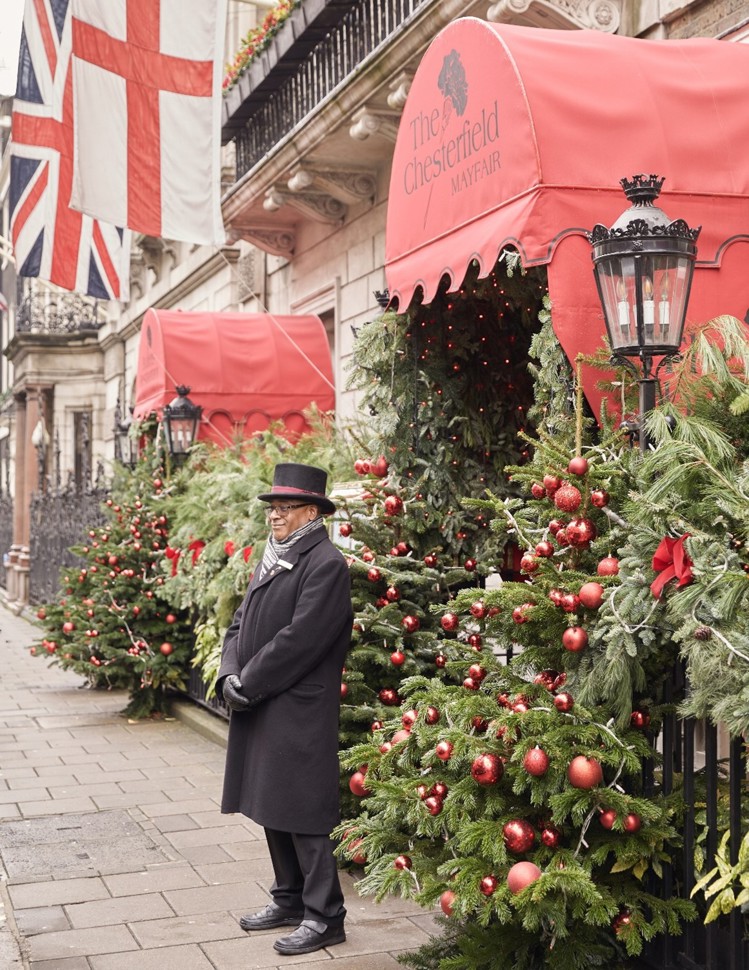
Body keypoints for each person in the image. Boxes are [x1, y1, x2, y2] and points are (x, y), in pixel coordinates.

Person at [216, 462, 353, 956]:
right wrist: (229, 672)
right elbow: (241, 619)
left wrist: (248, 682)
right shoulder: (274, 556)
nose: (274, 516)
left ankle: (325, 916)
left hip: (296, 705)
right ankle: (289, 899)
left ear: (311, 512)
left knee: (305, 811)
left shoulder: (326, 564)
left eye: (284, 508)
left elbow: (300, 641)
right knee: (272, 802)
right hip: (262, 697)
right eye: (272, 508)